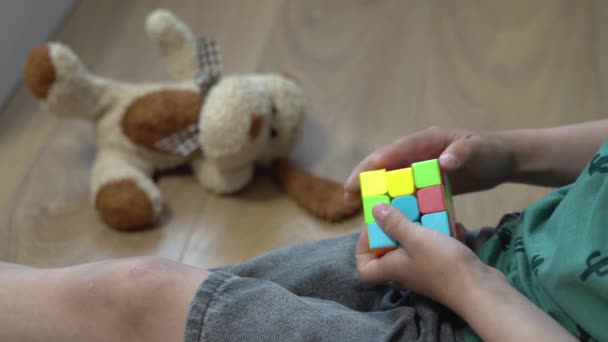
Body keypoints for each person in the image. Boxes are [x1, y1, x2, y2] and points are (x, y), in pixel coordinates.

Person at [2, 121, 607, 341]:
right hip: (483, 260)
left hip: (480, 292)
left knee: (141, 294)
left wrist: (469, 285)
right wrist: (508, 154)